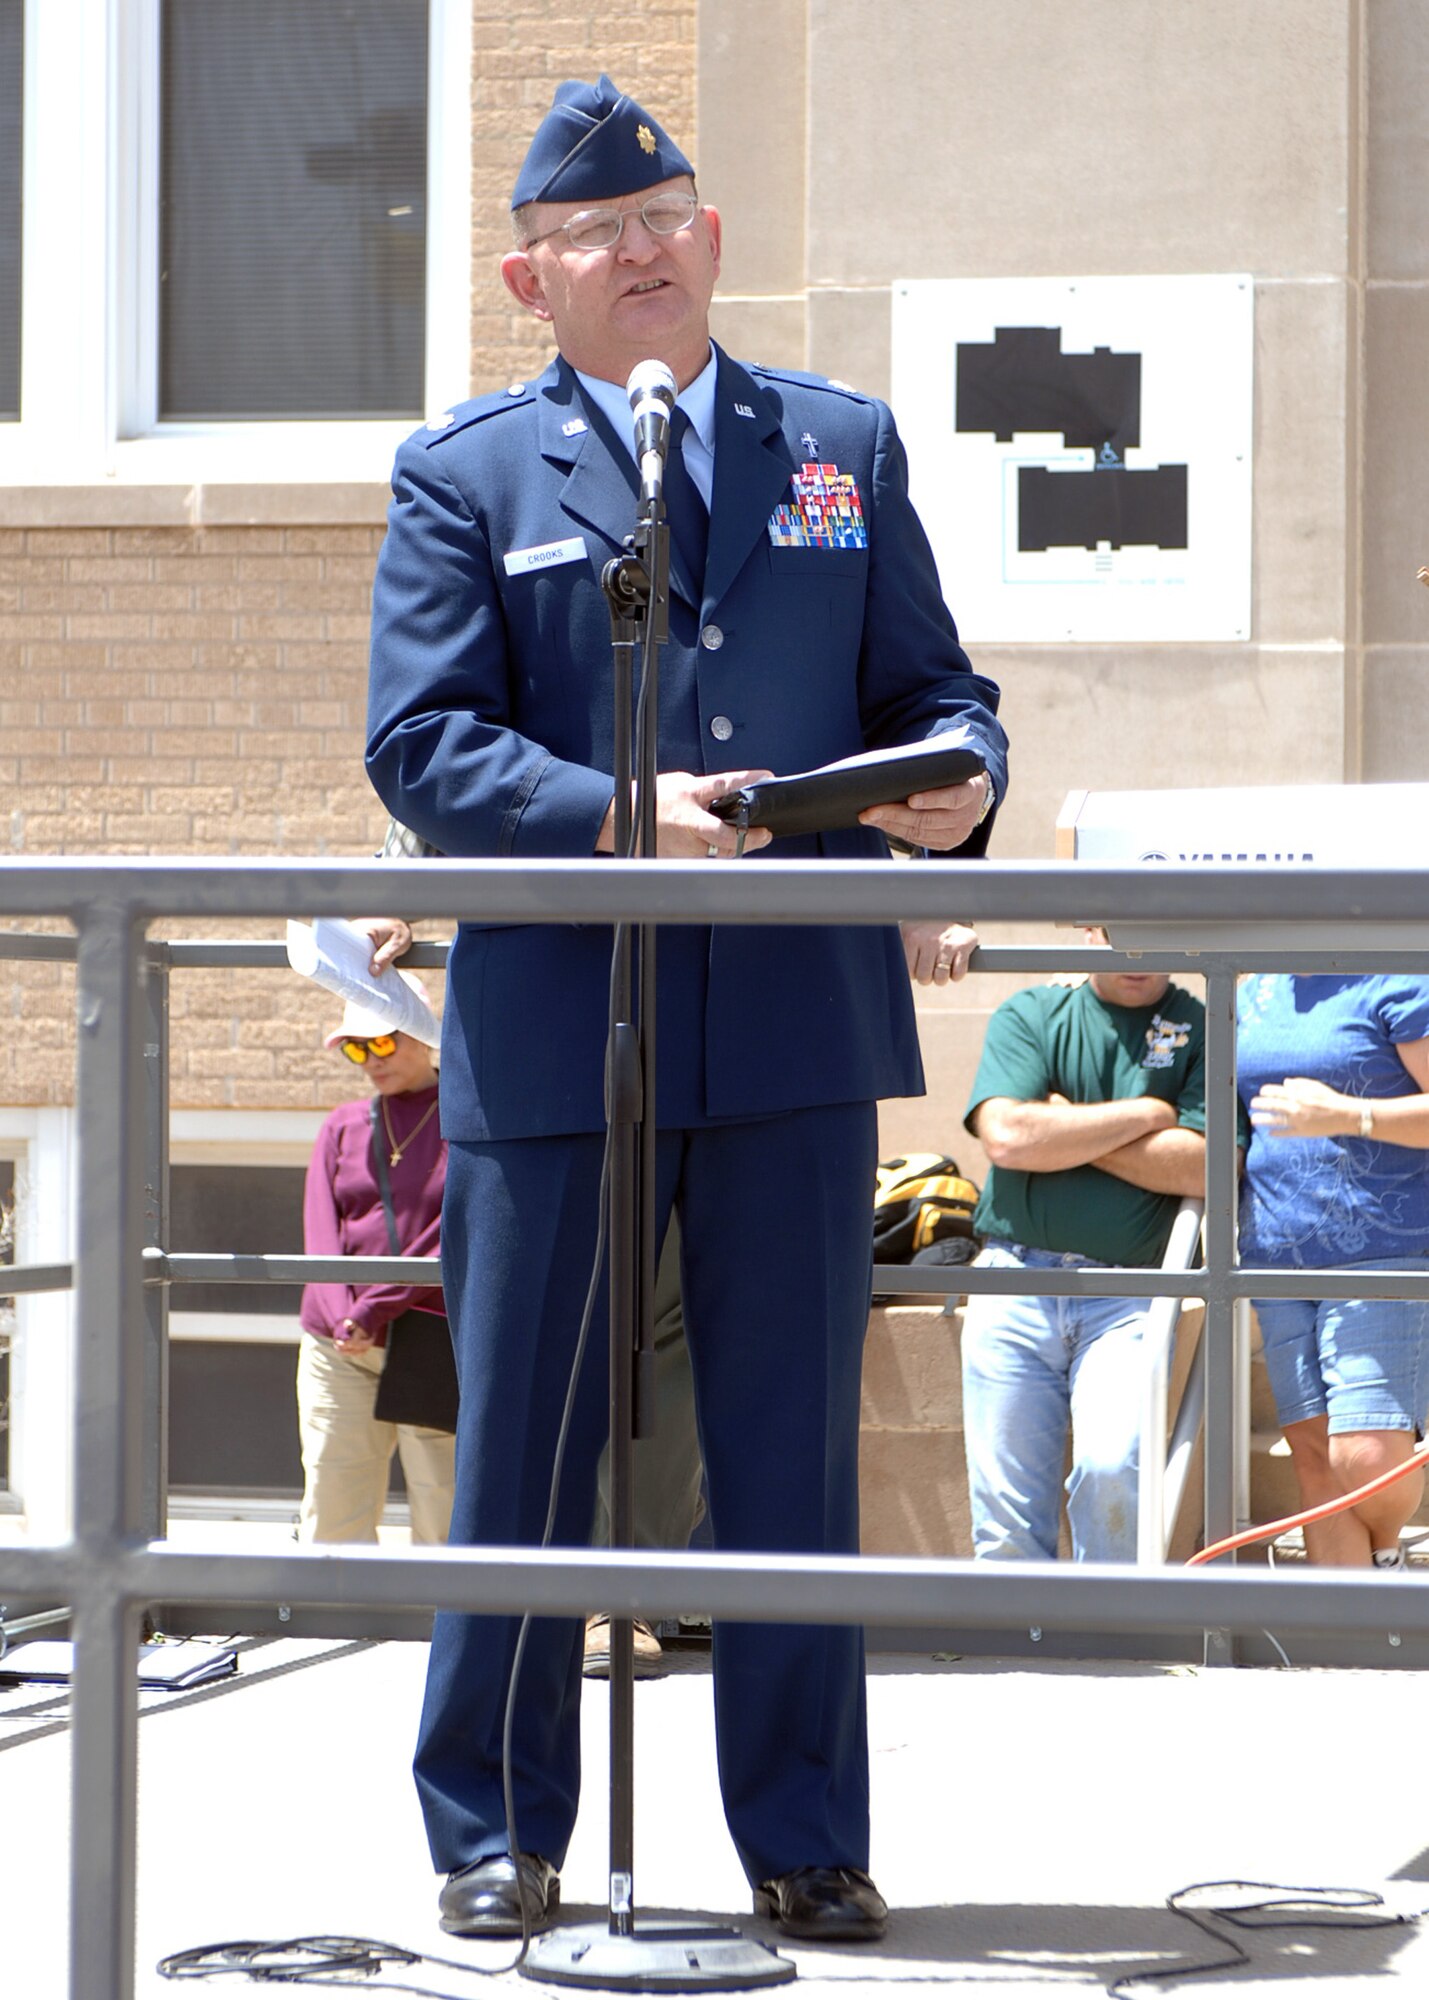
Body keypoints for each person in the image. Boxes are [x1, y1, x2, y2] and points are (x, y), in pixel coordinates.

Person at [365, 74, 1008, 1944]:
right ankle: (494, 1826)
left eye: (667, 218)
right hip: (564, 1029)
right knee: (526, 1456)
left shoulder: (838, 443)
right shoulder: (468, 473)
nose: (642, 250)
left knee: (788, 1453)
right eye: (596, 233)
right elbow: (420, 748)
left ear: (712, 239)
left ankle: (803, 1836)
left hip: (795, 1023)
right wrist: (612, 816)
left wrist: (956, 784)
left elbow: (940, 693)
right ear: (525, 277)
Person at [960, 928, 1216, 1562]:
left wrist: (1067, 1125)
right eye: (1118, 934)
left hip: (1131, 1293)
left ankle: (1114, 1647)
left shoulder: (1204, 1025)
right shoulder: (1033, 1012)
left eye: (1151, 934)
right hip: (1012, 1280)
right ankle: (1022, 1652)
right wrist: (1151, 1114)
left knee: (1113, 1472)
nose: (1138, 953)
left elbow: (1205, 1167)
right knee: (1006, 1518)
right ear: (1087, 933)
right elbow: (1010, 1138)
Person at [1237, 973, 1429, 1566]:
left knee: (1366, 1455)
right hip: (1275, 1254)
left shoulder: (1402, 979)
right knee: (1315, 1461)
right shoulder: (1253, 987)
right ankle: (1352, 1637)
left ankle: (1385, 1566)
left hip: (1385, 1248)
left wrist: (1350, 1114)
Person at [296, 968, 454, 1544]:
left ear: (420, 1034)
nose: (370, 1059)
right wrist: (343, 1313)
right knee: (335, 1492)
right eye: (356, 1047)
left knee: (444, 1501)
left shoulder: (466, 1116)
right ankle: (332, 1621)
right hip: (337, 1342)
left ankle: (445, 1630)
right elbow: (320, 1230)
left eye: (382, 1041)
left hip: (429, 1336)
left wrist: (372, 1310)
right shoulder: (342, 1125)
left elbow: (452, 1230)